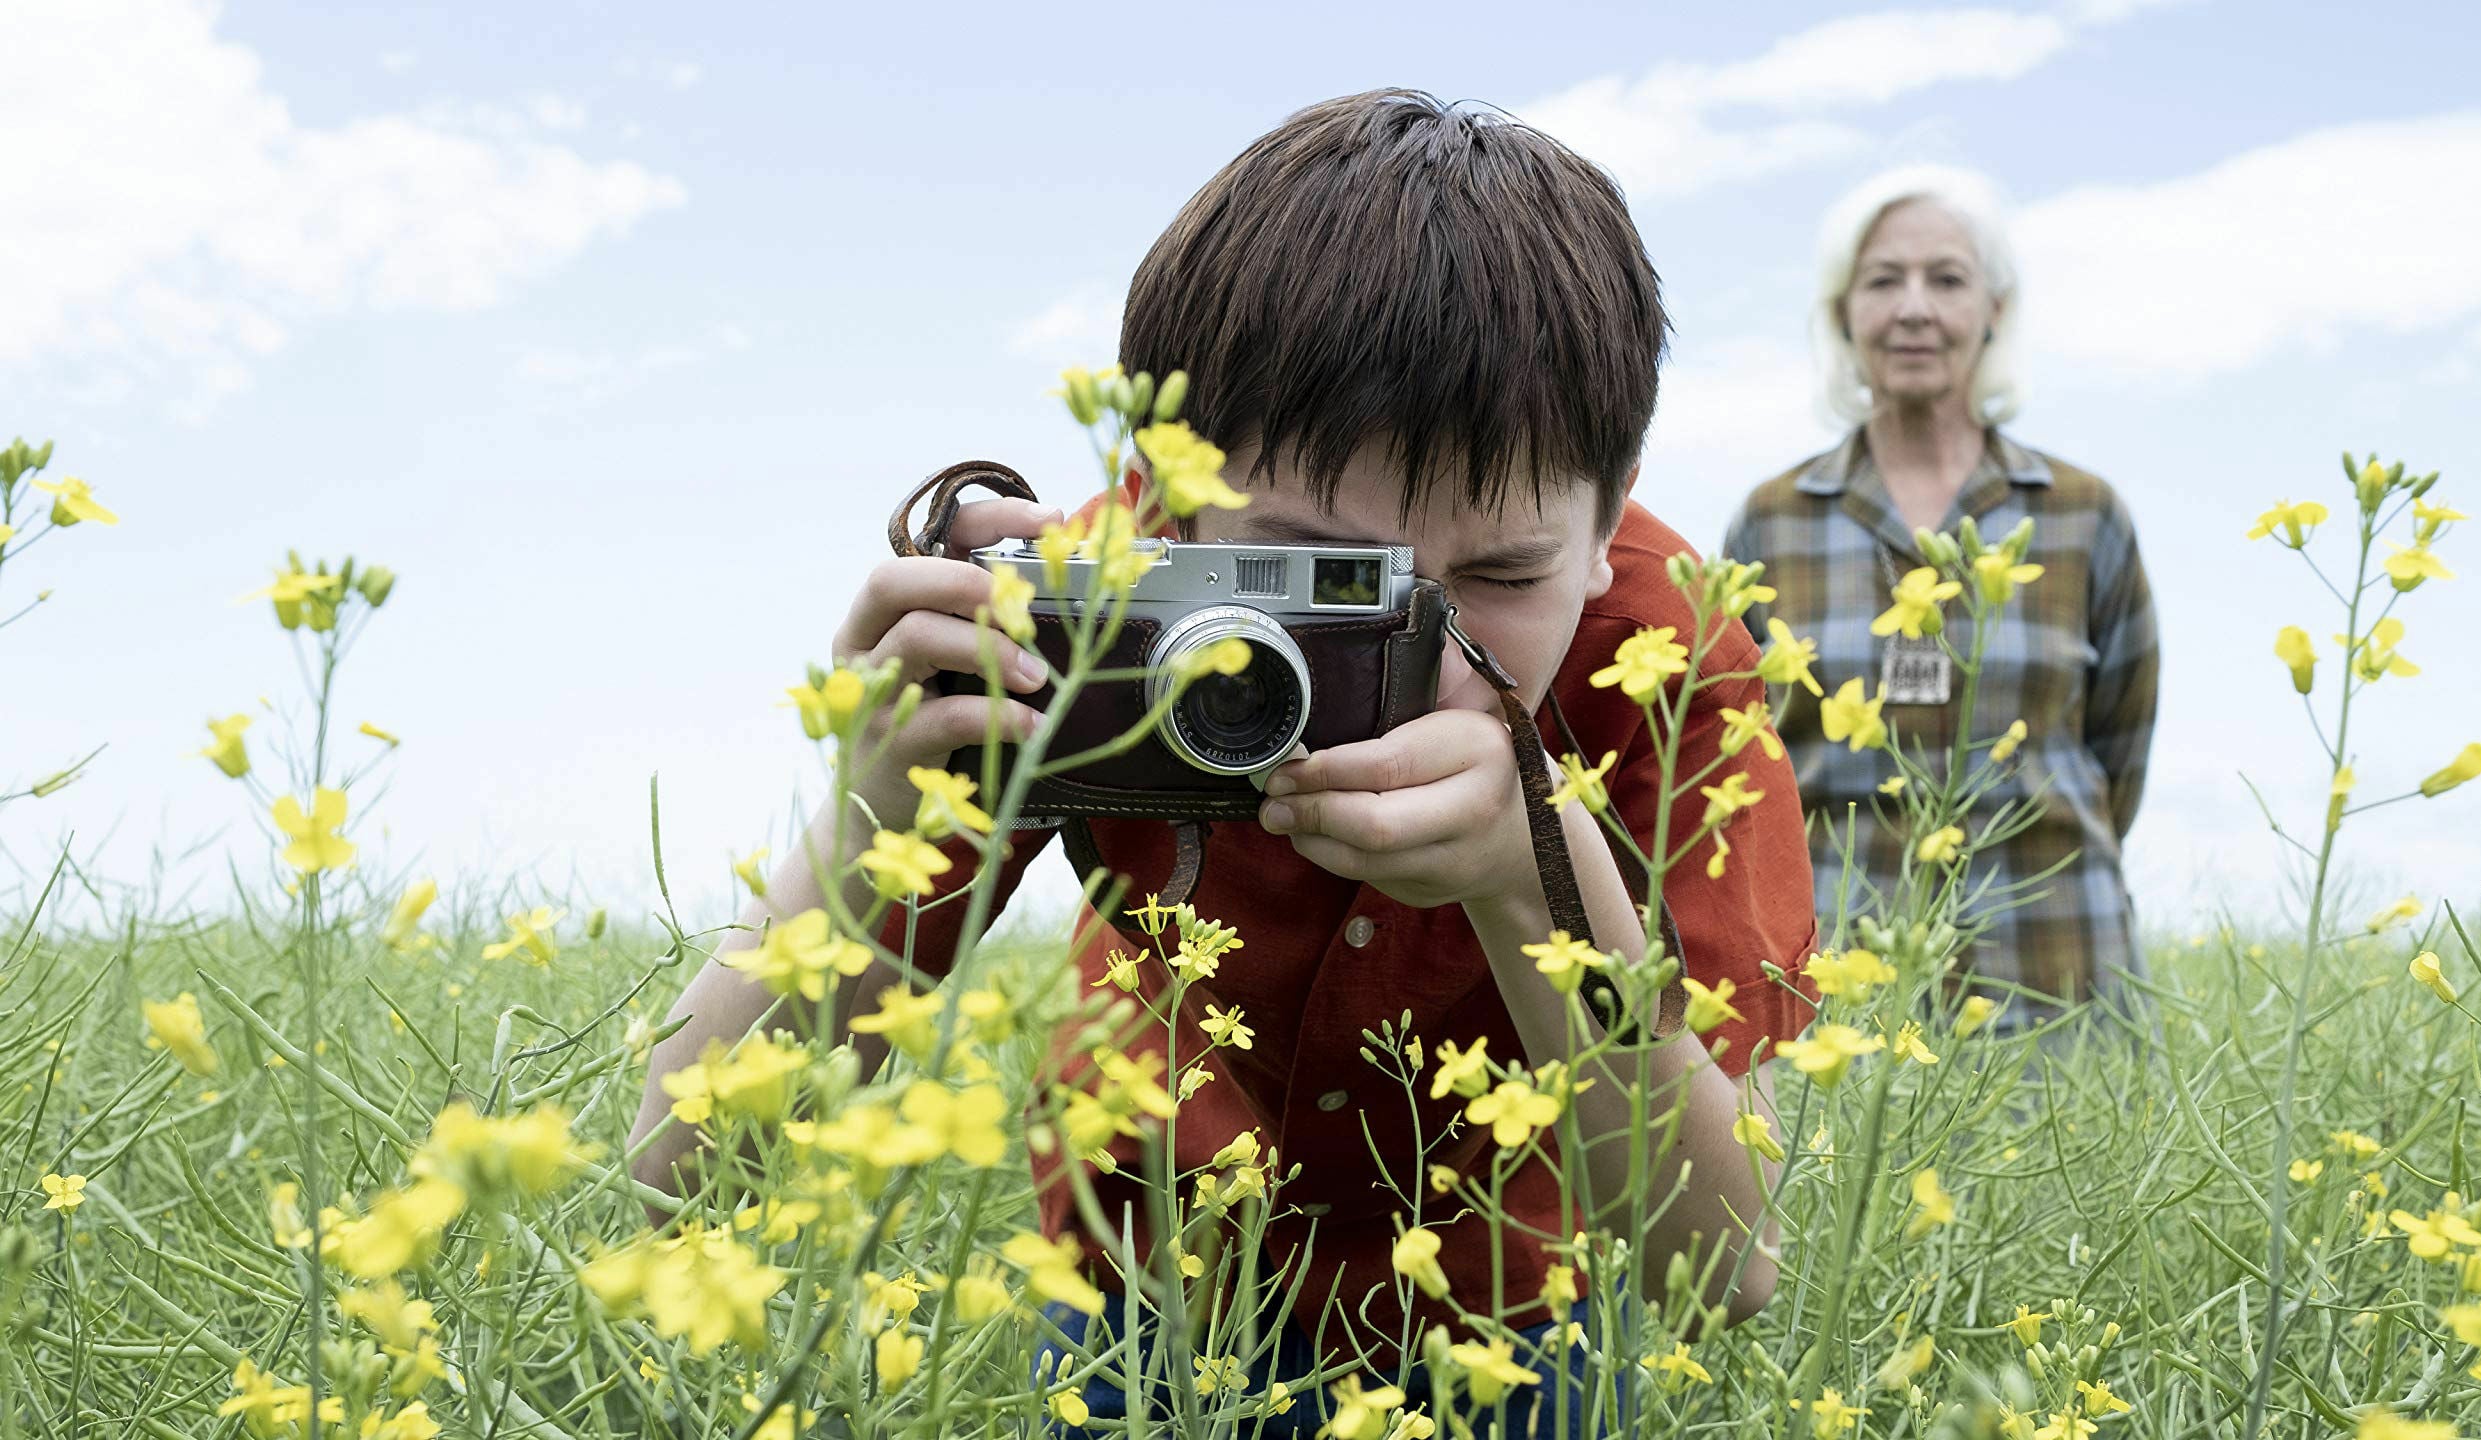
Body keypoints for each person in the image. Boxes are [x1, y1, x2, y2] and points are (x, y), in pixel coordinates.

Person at [631, 89, 1819, 1434]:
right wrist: (874, 815)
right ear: (1166, 492)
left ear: (1612, 517)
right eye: (1309, 580)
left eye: (1498, 577)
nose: (1413, 657)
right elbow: (683, 1156)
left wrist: (1535, 872)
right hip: (1146, 1279)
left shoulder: (1667, 657)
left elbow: (1723, 1265)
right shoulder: (1089, 601)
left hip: (1511, 1306)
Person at [1722, 165, 2159, 1031]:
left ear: (1994, 309)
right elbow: (1737, 748)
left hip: (2057, 965)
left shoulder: (2081, 514)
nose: (1914, 308)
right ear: (1844, 313)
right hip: (1835, 979)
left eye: (1947, 279)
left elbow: (2120, 756)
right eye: (1883, 281)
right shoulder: (1771, 522)